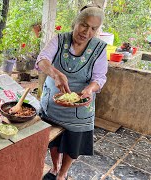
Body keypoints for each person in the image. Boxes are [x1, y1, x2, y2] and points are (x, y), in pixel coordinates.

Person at [36, 4, 108, 180]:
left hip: (80, 107)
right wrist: (55, 73)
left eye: (93, 28)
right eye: (84, 24)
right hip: (54, 104)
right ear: (75, 22)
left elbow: (100, 78)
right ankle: (54, 167)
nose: (87, 31)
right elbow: (42, 60)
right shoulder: (59, 40)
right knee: (54, 140)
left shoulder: (99, 49)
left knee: (73, 144)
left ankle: (62, 173)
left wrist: (90, 88)